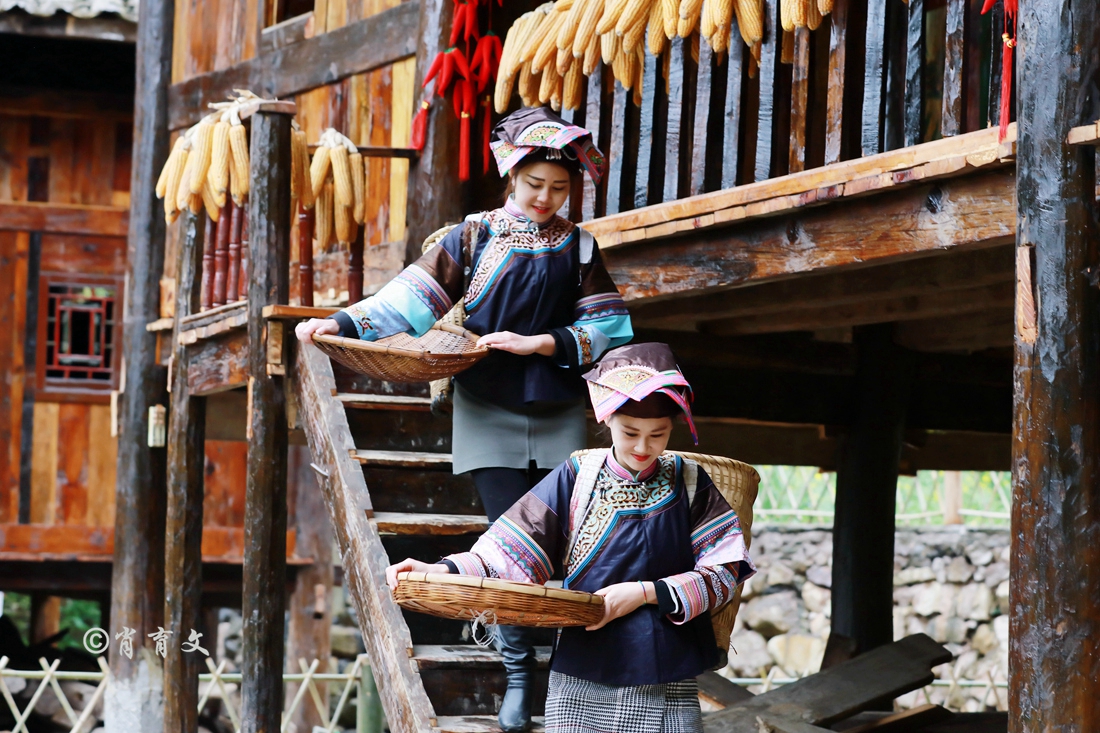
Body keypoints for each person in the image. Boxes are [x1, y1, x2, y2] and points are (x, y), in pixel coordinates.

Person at [295, 107, 633, 732]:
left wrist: (543, 344)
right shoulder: (471, 237)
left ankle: (561, 676)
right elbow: (411, 301)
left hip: (558, 406)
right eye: (535, 185)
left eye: (559, 189)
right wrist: (338, 324)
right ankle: (518, 672)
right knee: (509, 538)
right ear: (510, 176)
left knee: (567, 539)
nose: (545, 198)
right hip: (485, 404)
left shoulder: (582, 247)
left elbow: (608, 329)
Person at [385, 343, 757, 733]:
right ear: (606, 417)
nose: (644, 447)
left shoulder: (690, 480)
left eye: (658, 434)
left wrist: (647, 592)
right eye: (630, 432)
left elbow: (724, 571)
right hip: (582, 665)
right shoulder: (578, 473)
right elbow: (510, 551)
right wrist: (441, 569)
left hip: (664, 669)